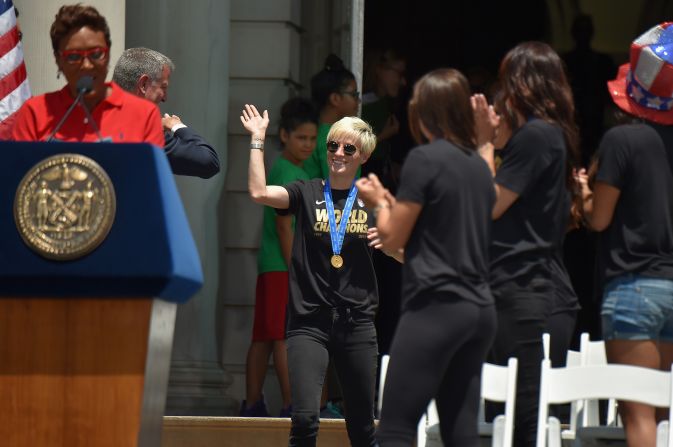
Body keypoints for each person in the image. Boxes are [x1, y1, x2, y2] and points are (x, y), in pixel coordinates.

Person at [357, 68, 496, 447]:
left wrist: (377, 204)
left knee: (396, 429)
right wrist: (389, 202)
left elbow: (392, 235)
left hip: (436, 304)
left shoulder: (424, 159)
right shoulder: (480, 169)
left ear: (422, 113)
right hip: (479, 308)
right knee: (459, 429)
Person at [242, 104, 392, 446]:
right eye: (333, 146)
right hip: (310, 320)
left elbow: (405, 254)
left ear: (363, 156)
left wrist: (391, 238)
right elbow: (259, 193)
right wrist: (257, 140)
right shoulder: (306, 191)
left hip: (357, 322)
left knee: (362, 427)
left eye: (348, 148)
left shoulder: (371, 201)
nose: (338, 153)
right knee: (305, 420)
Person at [473, 41, 580, 447]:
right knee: (510, 418)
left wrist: (484, 143)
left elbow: (489, 205)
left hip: (527, 293)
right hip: (524, 290)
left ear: (522, 85)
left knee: (522, 421)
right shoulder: (548, 137)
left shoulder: (537, 137)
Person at [576, 22, 673, 447]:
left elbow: (599, 219)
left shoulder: (621, 140)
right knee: (664, 413)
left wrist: (582, 195)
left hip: (634, 285)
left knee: (637, 414)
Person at [240, 97, 318, 418]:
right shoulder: (289, 170)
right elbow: (285, 227)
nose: (308, 145)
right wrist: (297, 269)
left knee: (264, 337)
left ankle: (253, 403)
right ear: (284, 136)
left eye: (313, 139)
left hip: (271, 265)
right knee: (284, 338)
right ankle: (291, 406)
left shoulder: (291, 167)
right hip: (283, 266)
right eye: (302, 137)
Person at [11, 4, 163, 146]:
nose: (86, 65)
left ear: (108, 55)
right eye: (73, 56)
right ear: (58, 60)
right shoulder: (34, 114)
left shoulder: (144, 115)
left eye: (96, 54)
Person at [112, 47, 220, 178]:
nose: (165, 98)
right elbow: (209, 161)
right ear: (143, 84)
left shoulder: (93, 115)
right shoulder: (144, 132)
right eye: (163, 87)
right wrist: (176, 126)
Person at [302, 54, 361, 180]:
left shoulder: (319, 132)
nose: (358, 101)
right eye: (354, 94)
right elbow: (338, 187)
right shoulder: (332, 137)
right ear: (335, 99)